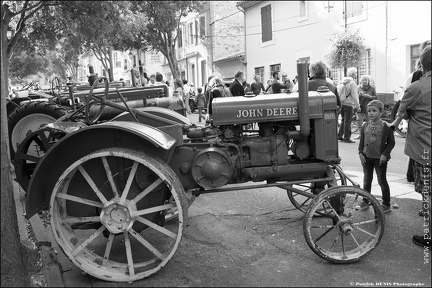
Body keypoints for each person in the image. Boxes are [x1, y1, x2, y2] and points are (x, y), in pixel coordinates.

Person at [388, 45, 431, 248]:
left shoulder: (416, 88)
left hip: (425, 148)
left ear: (422, 65)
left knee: (428, 193)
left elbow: (402, 113)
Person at [356, 100, 395, 213]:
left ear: (381, 112)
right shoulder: (365, 125)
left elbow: (391, 142)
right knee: (367, 180)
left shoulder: (385, 126)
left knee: (382, 181)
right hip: (367, 159)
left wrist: (384, 155)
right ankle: (365, 201)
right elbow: (361, 142)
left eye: (374, 110)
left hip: (380, 160)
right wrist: (360, 153)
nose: (371, 113)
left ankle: (386, 204)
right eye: (369, 111)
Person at [403, 40, 431, 184]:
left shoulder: (415, 83)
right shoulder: (414, 79)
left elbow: (404, 110)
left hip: (422, 142)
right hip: (421, 139)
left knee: (426, 190)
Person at [337, 67, 360, 143]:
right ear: (353, 74)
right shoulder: (352, 83)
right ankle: (347, 137)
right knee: (348, 121)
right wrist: (357, 106)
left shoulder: (342, 82)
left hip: (342, 103)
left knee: (343, 120)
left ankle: (339, 135)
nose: (356, 75)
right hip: (349, 104)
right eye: (356, 73)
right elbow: (355, 96)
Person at [354, 75, 377, 140]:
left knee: (369, 121)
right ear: (361, 81)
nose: (364, 81)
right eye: (363, 80)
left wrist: (368, 96)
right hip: (360, 107)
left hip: (369, 107)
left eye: (366, 80)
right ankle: (360, 134)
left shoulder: (372, 88)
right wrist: (359, 95)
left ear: (368, 81)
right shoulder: (358, 88)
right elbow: (355, 97)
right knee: (359, 121)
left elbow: (376, 97)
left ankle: (368, 134)